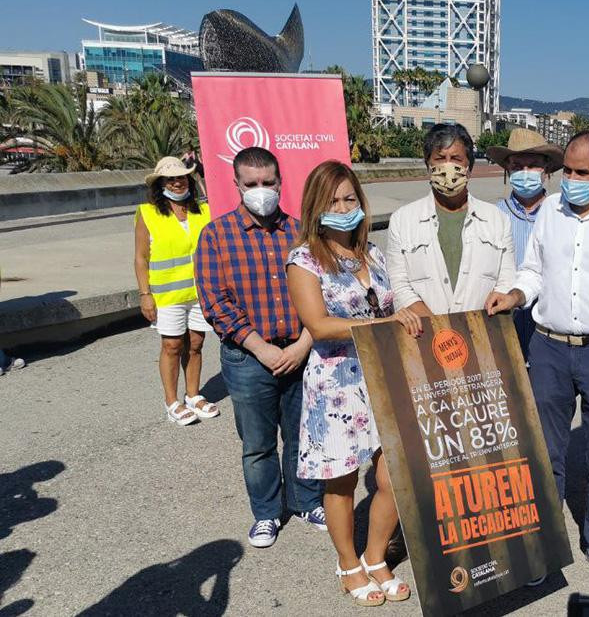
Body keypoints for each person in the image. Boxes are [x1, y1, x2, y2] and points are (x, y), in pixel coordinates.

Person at [486, 130, 589, 586]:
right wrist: (516, 294)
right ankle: (544, 542)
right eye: (569, 172)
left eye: (584, 173)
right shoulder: (552, 214)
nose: (572, 181)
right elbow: (535, 269)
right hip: (548, 348)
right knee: (546, 452)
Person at [287, 161, 420, 606]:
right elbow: (319, 325)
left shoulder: (374, 254)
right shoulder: (304, 258)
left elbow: (398, 302)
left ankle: (376, 555)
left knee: (394, 476)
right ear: (316, 208)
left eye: (350, 199)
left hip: (384, 379)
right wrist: (384, 323)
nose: (343, 208)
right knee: (340, 482)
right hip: (337, 387)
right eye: (333, 201)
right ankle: (348, 564)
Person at [195, 147, 326, 548]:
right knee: (257, 444)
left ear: (280, 182)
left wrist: (305, 343)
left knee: (304, 434)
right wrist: (260, 348)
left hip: (300, 350)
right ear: (236, 184)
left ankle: (305, 500)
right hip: (249, 358)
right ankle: (267, 512)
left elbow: (324, 289)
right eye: (251, 184)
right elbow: (215, 302)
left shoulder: (302, 232)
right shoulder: (215, 236)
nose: (261, 191)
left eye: (268, 183)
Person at [386, 123, 516, 315]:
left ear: (469, 167)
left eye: (456, 159)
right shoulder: (402, 220)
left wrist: (497, 300)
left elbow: (506, 279)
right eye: (440, 159)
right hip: (426, 333)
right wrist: (439, 328)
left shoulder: (497, 220)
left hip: (481, 332)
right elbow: (399, 284)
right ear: (428, 166)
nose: (447, 166)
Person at [134, 157, 217, 426]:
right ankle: (171, 401)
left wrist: (201, 174)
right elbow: (140, 258)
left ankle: (193, 394)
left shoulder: (202, 211)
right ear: (160, 184)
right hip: (166, 295)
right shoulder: (147, 213)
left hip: (198, 292)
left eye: (182, 177)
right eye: (170, 179)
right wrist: (144, 294)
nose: (177, 182)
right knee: (172, 346)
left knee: (196, 343)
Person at [488, 128, 564, 360]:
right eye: (517, 166)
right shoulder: (492, 216)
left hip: (550, 335)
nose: (525, 172)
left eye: (532, 165)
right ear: (507, 170)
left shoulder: (561, 216)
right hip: (503, 328)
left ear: (547, 170)